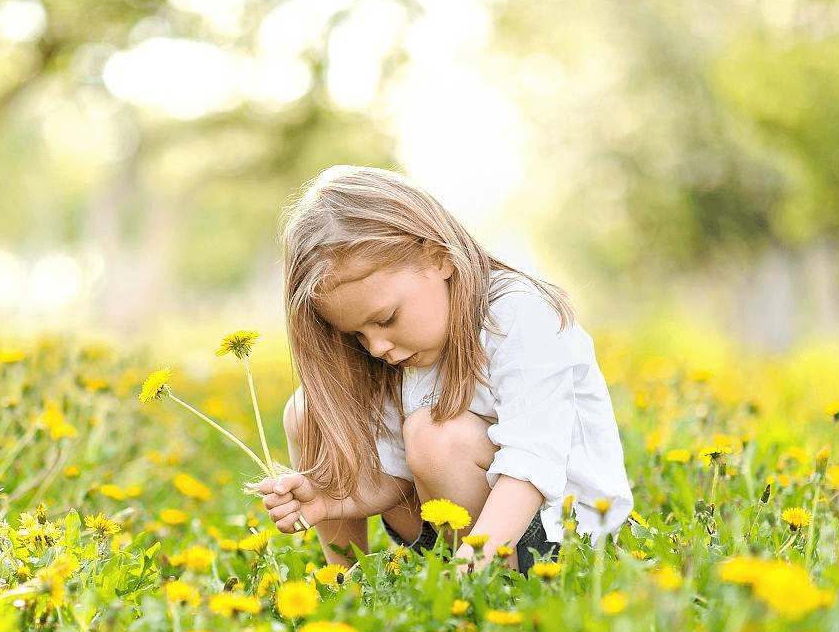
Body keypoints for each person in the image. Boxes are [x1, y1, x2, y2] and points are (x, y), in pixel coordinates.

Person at [259, 165, 634, 574]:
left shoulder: (519, 314)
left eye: (385, 319)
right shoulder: (409, 347)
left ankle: (497, 583)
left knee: (436, 437)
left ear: (438, 258)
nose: (377, 346)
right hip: (454, 532)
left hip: (560, 537)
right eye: (358, 335)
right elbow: (396, 471)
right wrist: (332, 498)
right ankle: (351, 580)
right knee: (309, 411)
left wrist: (472, 565)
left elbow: (530, 468)